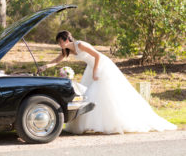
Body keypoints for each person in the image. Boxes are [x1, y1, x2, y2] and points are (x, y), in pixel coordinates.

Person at [39, 30, 177, 134]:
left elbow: (97, 55)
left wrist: (95, 71)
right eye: (58, 43)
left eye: (60, 41)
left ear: (66, 39)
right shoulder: (67, 50)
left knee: (100, 93)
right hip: (91, 67)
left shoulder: (80, 44)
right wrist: (45, 66)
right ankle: (92, 125)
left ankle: (105, 125)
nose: (59, 44)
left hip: (101, 66)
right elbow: (57, 61)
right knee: (88, 95)